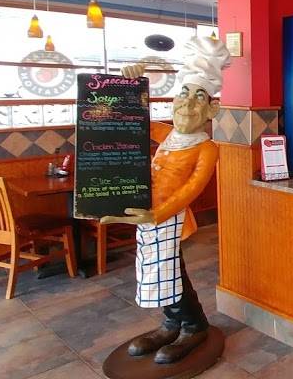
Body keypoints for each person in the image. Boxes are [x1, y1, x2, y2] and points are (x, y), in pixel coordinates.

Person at [100, 35, 231, 364]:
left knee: (167, 270)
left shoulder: (206, 148)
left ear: (212, 109)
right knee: (161, 270)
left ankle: (193, 326)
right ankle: (174, 323)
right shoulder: (167, 134)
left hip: (168, 217)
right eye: (183, 94)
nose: (188, 104)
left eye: (199, 97)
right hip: (147, 213)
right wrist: (129, 85)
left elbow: (191, 190)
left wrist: (157, 214)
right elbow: (132, 121)